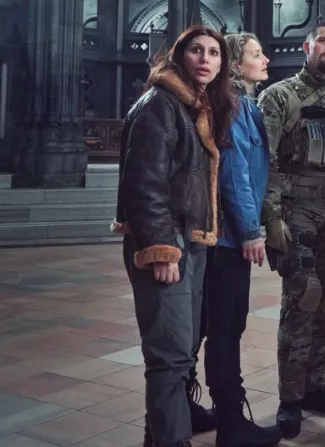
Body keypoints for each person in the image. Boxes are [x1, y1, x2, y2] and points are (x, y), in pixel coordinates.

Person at [113, 25, 236, 447]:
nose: (206, 59)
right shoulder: (160, 105)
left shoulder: (194, 106)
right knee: (169, 357)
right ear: (179, 56)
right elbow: (143, 185)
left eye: (214, 53)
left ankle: (160, 438)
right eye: (197, 50)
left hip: (191, 243)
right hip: (168, 244)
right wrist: (161, 250)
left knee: (181, 353)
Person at [256, 22, 325, 439]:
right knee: (303, 298)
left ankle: (316, 385)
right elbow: (264, 160)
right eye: (323, 41)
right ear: (306, 47)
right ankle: (290, 398)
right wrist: (271, 217)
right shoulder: (278, 96)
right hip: (295, 213)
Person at [201, 32, 283, 447]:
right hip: (229, 239)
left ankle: (202, 409)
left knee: (221, 325)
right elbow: (234, 175)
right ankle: (231, 422)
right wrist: (251, 231)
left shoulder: (244, 104)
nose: (265, 59)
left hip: (229, 235)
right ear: (235, 64)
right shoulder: (232, 107)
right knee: (225, 327)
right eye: (256, 54)